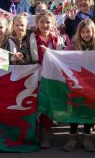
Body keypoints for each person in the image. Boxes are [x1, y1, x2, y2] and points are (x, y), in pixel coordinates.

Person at [63, 19, 95, 152]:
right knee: (75, 108)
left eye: (88, 31)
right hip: (77, 83)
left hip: (93, 83)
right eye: (83, 32)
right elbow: (63, 57)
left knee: (90, 109)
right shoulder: (73, 45)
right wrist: (50, 53)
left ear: (93, 31)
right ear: (79, 33)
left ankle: (87, 136)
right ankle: (72, 136)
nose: (85, 34)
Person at [28, 10, 66, 148]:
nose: (45, 25)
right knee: (35, 103)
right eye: (42, 22)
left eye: (48, 22)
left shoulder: (58, 39)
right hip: (35, 76)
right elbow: (31, 58)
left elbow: (61, 58)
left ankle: (45, 133)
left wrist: (49, 53)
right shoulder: (32, 37)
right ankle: (34, 132)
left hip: (51, 76)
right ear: (37, 23)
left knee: (47, 103)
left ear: (53, 24)